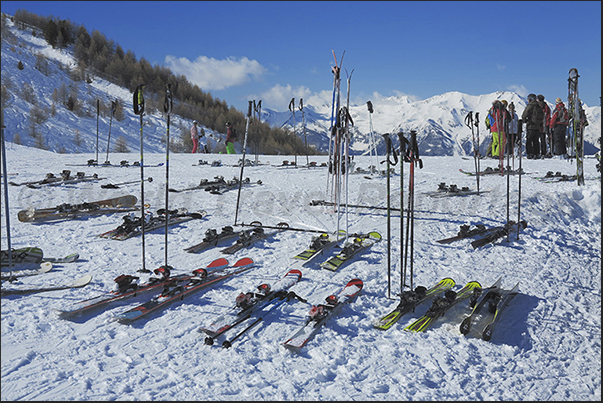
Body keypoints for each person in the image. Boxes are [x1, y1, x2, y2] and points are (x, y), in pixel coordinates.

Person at [522, 93, 544, 159]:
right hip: (537, 127)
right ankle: (536, 154)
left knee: (529, 140)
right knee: (536, 141)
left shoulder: (530, 105)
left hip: (530, 125)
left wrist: (524, 120)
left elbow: (524, 115)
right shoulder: (539, 106)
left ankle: (529, 154)